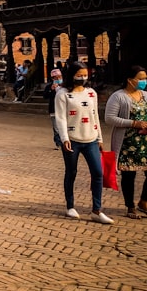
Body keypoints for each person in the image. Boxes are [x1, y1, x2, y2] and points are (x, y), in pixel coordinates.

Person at [55, 61, 110, 224]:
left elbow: (95, 117)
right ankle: (70, 206)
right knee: (71, 172)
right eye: (79, 75)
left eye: (85, 74)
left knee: (98, 172)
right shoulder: (63, 93)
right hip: (72, 140)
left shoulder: (91, 93)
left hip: (91, 138)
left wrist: (99, 138)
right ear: (71, 75)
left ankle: (96, 210)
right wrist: (64, 138)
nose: (83, 77)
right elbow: (61, 118)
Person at [104, 65, 147, 219]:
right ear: (130, 80)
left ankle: (144, 201)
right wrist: (133, 123)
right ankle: (130, 206)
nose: (144, 81)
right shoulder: (118, 96)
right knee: (129, 175)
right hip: (127, 143)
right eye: (140, 78)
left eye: (145, 78)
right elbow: (109, 118)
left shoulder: (145, 95)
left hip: (145, 142)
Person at [43, 68, 65, 148]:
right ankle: (58, 143)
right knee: (56, 128)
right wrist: (51, 90)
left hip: (63, 109)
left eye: (60, 77)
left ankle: (65, 141)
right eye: (56, 77)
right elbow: (45, 96)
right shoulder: (49, 86)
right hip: (54, 109)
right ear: (53, 78)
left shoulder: (65, 86)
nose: (58, 79)